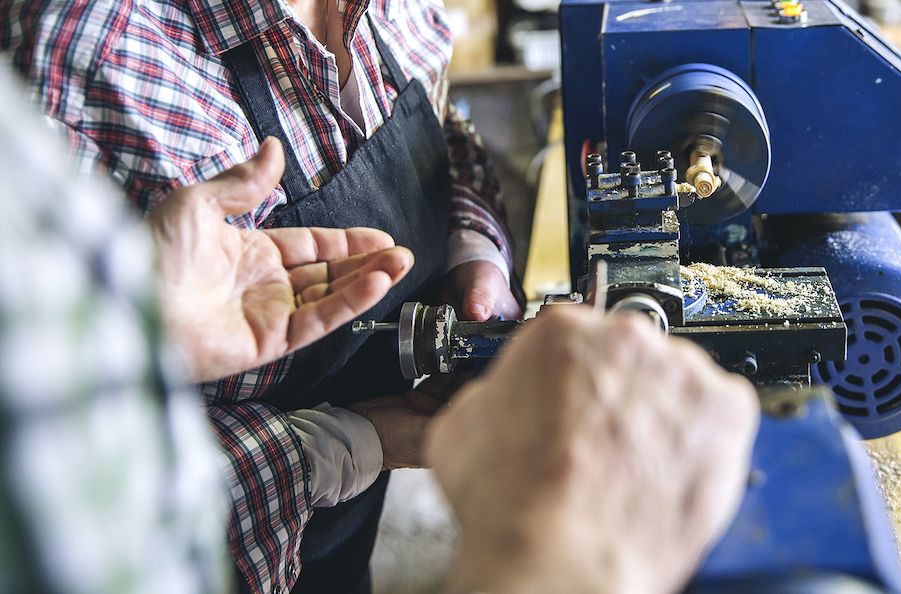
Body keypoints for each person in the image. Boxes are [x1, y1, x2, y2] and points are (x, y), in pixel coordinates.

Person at [0, 0, 591, 590]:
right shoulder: (72, 71)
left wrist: (474, 250)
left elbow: (441, 120)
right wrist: (355, 442)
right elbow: (72, 507)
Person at [0, 62, 760, 594]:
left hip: (355, 511)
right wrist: (559, 553)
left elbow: (450, 131)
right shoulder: (65, 70)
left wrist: (475, 246)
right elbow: (114, 522)